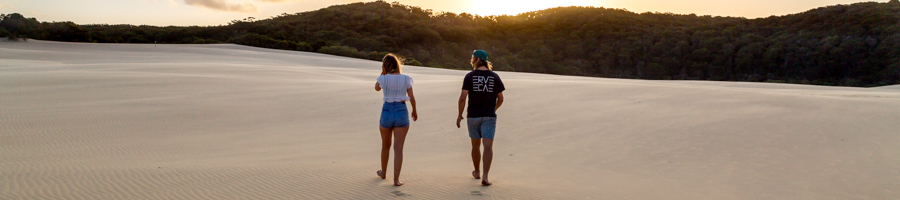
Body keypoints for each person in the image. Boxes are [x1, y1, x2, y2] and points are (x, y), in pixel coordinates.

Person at [456, 50, 505, 186]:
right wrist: (493, 109)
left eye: (473, 58)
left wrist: (459, 114)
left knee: (475, 145)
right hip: (489, 115)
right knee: (488, 146)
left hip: (473, 115)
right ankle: (485, 176)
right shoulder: (494, 76)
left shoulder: (470, 76)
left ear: (477, 60)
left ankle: (476, 171)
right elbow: (501, 98)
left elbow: (462, 98)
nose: (472, 60)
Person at [375, 54, 418, 186]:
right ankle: (396, 180)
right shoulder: (406, 78)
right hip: (401, 111)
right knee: (398, 148)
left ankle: (383, 173)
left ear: (385, 66)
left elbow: (377, 88)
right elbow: (411, 97)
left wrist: (383, 73)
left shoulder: (383, 78)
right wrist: (414, 110)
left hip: (387, 111)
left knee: (385, 146)